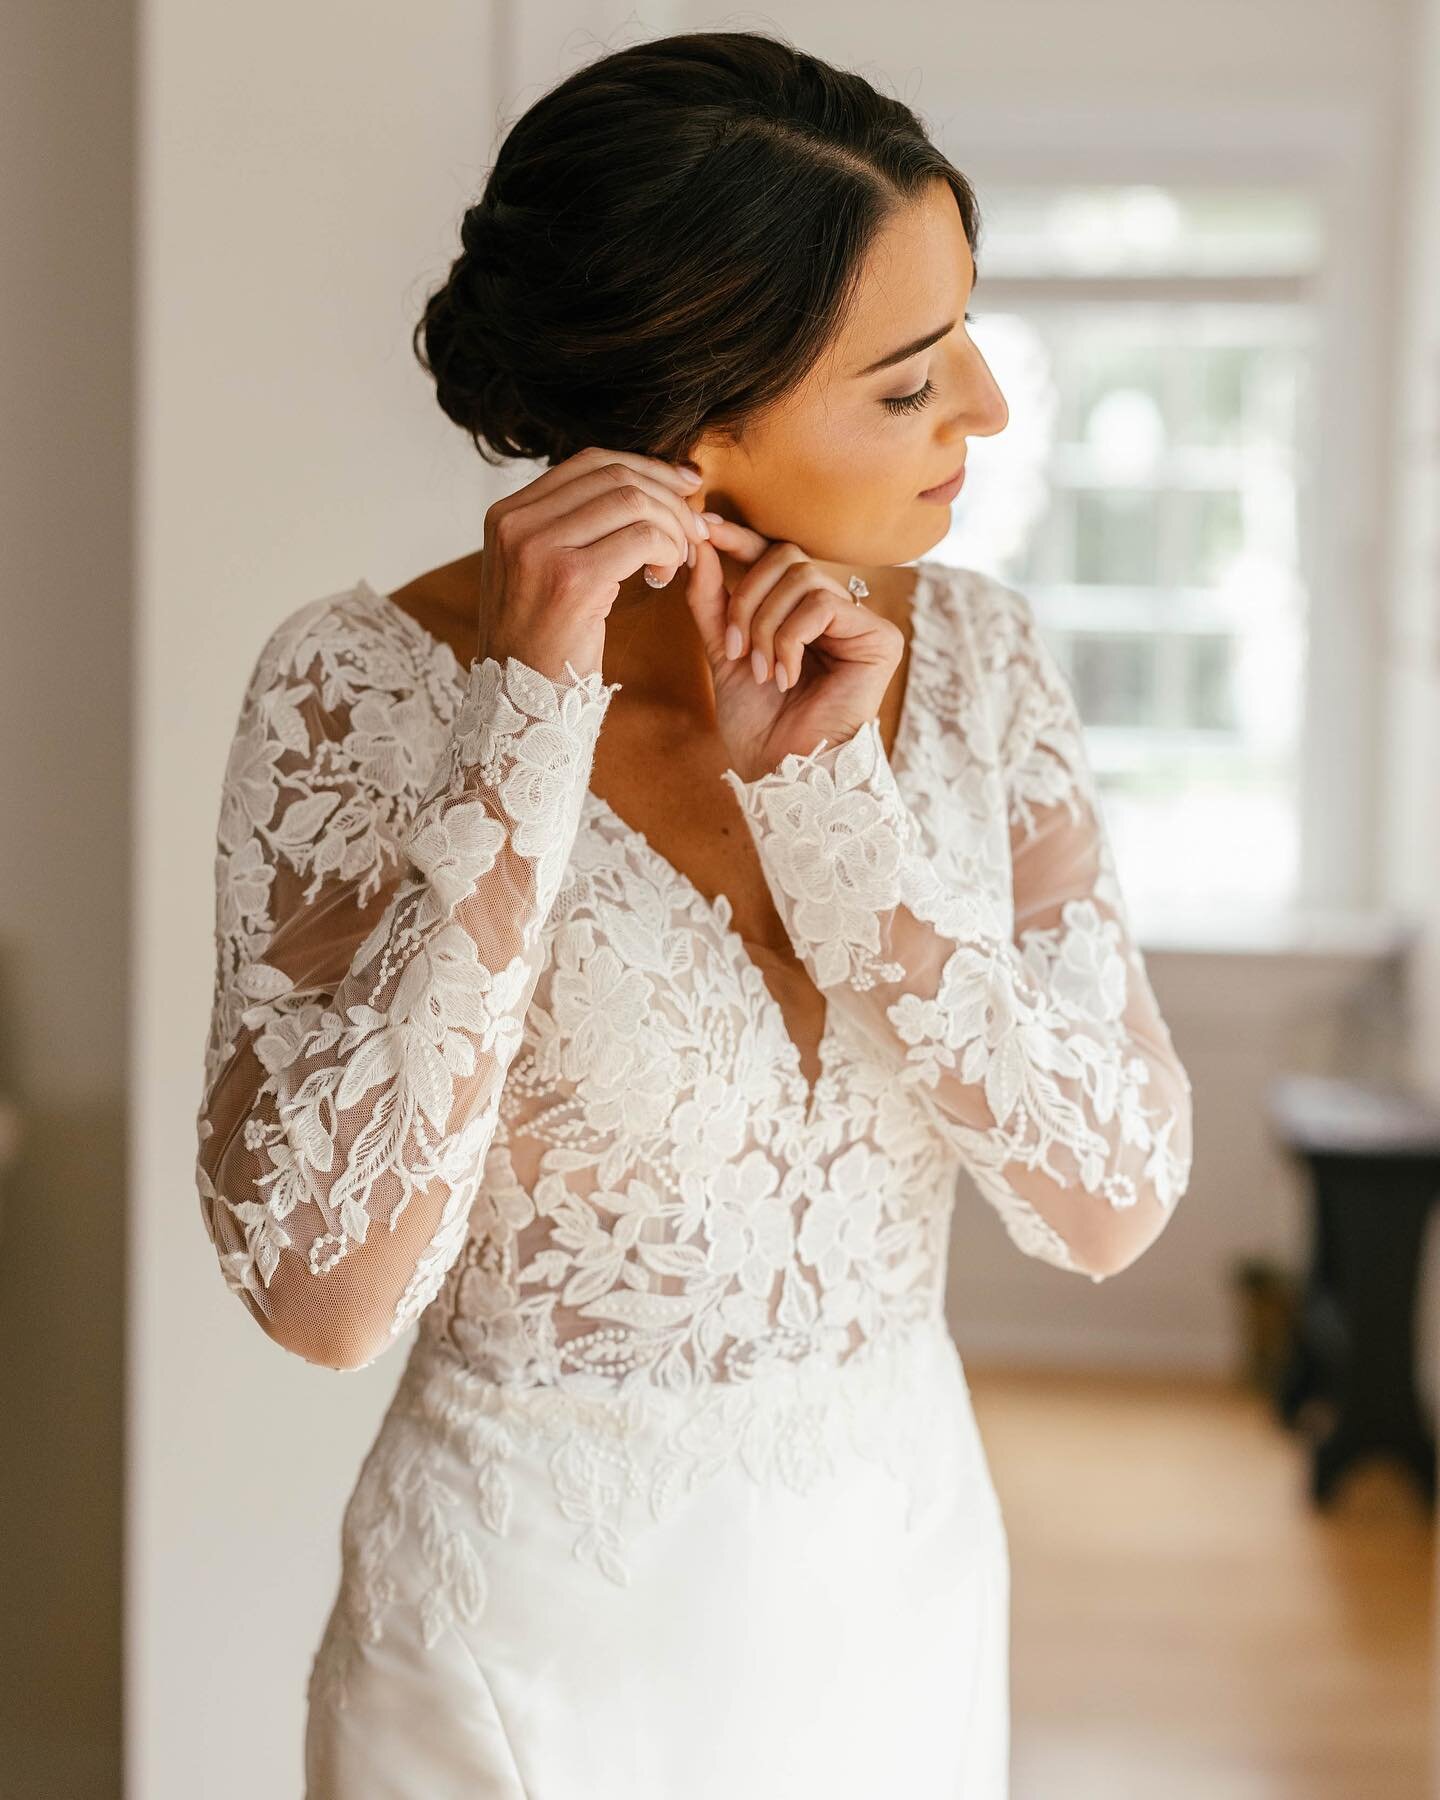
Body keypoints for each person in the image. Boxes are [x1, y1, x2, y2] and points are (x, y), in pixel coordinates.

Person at [194, 28, 1194, 1798]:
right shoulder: (359, 693)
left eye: (965, 331)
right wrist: (529, 716)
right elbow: (324, 1297)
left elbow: (1108, 1206)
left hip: (898, 1602)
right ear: (693, 429)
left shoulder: (980, 670)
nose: (987, 408)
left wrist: (843, 824)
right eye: (908, 380)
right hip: (516, 1652)